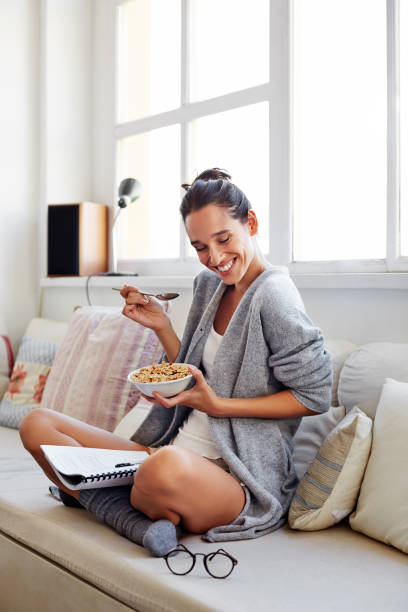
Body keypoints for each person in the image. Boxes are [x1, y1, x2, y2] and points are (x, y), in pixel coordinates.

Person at [19, 168, 332, 555]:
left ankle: (90, 496)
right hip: (171, 450)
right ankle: (134, 516)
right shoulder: (209, 286)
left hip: (235, 476)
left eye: (224, 238)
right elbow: (190, 373)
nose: (214, 258)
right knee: (37, 425)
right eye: (200, 247)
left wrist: (217, 406)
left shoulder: (275, 295)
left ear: (250, 223)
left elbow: (314, 395)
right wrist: (161, 326)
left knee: (158, 470)